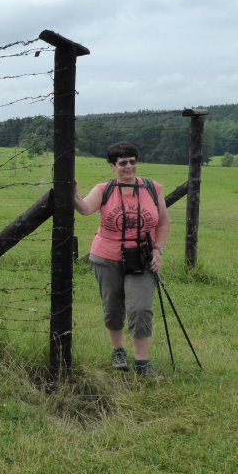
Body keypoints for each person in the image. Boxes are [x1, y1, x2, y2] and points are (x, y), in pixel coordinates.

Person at [74, 142, 170, 378]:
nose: (129, 166)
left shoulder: (152, 188)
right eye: (123, 162)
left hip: (143, 257)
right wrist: (72, 192)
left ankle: (142, 362)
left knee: (140, 308)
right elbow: (86, 209)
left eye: (133, 161)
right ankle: (118, 351)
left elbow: (163, 223)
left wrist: (158, 250)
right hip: (107, 257)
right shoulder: (104, 189)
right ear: (112, 166)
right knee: (113, 306)